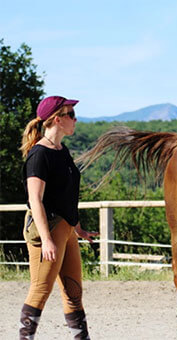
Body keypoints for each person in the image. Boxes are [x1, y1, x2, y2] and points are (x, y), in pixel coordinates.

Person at [19, 96, 98, 340]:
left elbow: (66, 197)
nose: (75, 119)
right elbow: (36, 200)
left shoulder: (62, 151)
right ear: (57, 119)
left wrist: (78, 229)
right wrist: (47, 239)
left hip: (66, 230)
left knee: (74, 293)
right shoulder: (39, 155)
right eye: (71, 114)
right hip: (48, 231)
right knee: (40, 290)